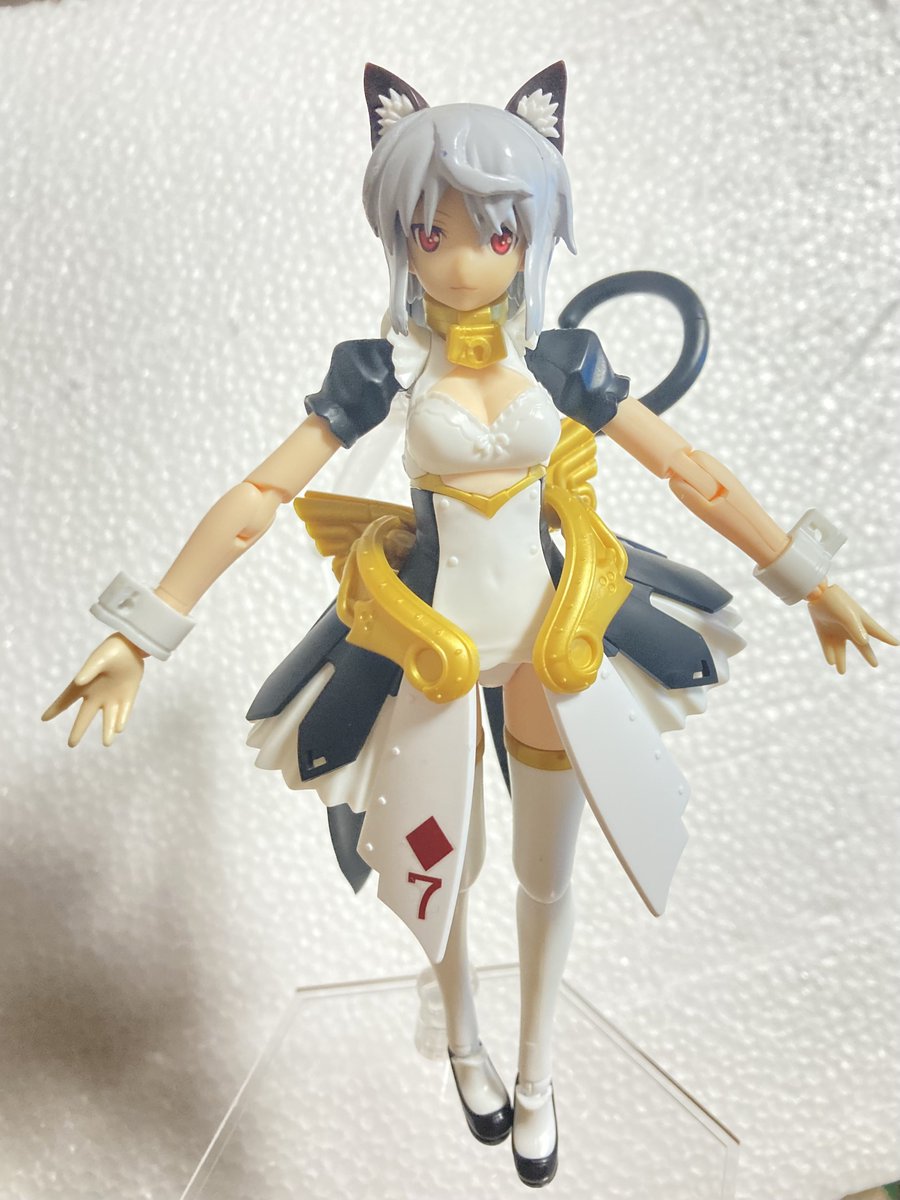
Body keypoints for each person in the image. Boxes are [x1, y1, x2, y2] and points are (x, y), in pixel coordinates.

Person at [44, 63, 894, 1188]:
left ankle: (538, 1073)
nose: (459, 260)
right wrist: (145, 631)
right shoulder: (382, 372)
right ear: (399, 237)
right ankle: (462, 1040)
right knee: (436, 864)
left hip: (554, 638)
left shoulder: (563, 362)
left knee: (548, 873)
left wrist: (802, 575)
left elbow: (685, 466)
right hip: (428, 645)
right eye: (429, 231)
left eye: (495, 234)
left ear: (529, 237)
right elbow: (262, 494)